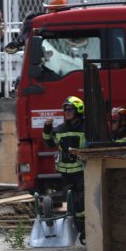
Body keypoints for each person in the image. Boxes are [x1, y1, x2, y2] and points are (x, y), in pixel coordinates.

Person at [43, 96, 86, 239]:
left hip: (81, 171)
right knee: (72, 200)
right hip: (66, 172)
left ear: (78, 110)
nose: (67, 112)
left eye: (70, 109)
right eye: (65, 109)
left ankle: (84, 228)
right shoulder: (60, 129)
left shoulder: (86, 128)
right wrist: (47, 129)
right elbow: (49, 143)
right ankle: (77, 228)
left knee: (81, 200)